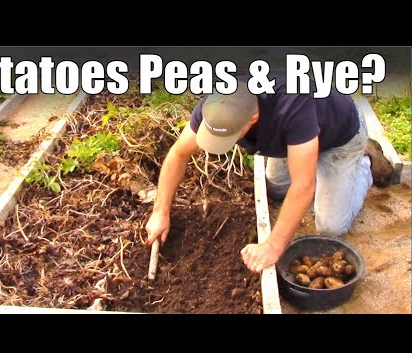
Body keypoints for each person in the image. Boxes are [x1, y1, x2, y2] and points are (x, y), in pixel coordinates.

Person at [144, 74, 393, 273]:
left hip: (339, 136)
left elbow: (303, 186)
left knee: (330, 227)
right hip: (292, 141)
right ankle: (309, 159)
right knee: (275, 190)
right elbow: (178, 153)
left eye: (229, 137)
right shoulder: (219, 103)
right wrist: (160, 212)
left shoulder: (293, 104)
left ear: (253, 118)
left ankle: (365, 164)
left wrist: (273, 246)